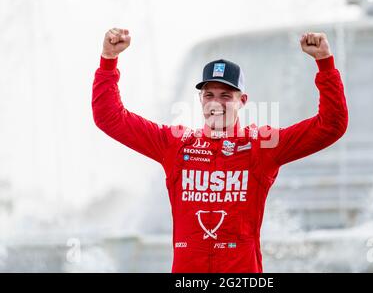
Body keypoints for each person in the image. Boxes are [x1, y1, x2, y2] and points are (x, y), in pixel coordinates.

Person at [92, 28, 348, 272]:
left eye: (226, 96)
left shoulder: (262, 145)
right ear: (200, 100)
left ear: (242, 101)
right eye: (209, 95)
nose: (216, 103)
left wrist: (325, 64)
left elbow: (331, 126)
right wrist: (108, 60)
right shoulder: (176, 144)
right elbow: (109, 117)